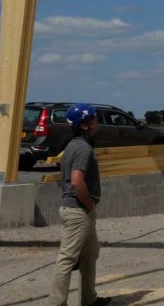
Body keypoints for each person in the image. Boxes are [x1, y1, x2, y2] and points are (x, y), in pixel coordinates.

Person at [48, 103, 111, 306]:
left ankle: (89, 300)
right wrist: (90, 206)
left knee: (90, 254)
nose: (97, 120)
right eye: (93, 117)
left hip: (81, 210)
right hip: (79, 211)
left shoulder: (75, 145)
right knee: (67, 259)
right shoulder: (83, 148)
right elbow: (76, 181)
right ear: (85, 125)